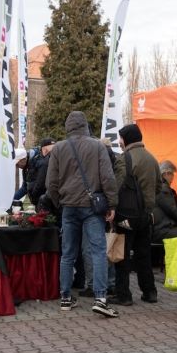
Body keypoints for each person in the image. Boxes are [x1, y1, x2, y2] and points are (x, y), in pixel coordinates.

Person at [44, 110, 119, 318]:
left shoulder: (58, 148)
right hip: (91, 208)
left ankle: (66, 297)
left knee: (68, 253)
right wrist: (112, 204)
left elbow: (51, 183)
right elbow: (108, 177)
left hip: (68, 207)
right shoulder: (97, 146)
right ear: (85, 125)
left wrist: (60, 202)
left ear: (68, 126)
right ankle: (100, 298)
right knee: (98, 251)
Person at [113, 124, 159, 306]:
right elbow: (159, 187)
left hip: (126, 216)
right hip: (146, 215)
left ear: (126, 139)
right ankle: (150, 292)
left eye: (120, 138)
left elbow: (116, 185)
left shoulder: (125, 158)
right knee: (143, 255)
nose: (119, 141)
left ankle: (123, 295)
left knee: (122, 256)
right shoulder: (152, 158)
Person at [152, 160, 177, 243]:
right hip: (161, 230)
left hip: (160, 227)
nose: (173, 177)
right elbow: (173, 211)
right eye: (172, 174)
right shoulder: (163, 189)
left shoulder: (159, 187)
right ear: (166, 173)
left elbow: (173, 209)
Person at [28, 138, 55, 208]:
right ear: (45, 148)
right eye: (52, 146)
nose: (55, 147)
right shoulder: (41, 161)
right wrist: (34, 195)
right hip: (41, 198)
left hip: (47, 197)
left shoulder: (50, 159)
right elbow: (38, 181)